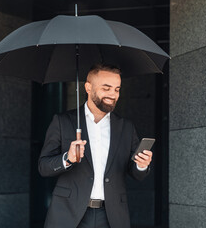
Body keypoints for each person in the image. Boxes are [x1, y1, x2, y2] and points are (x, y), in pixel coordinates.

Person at [38, 63, 153, 228]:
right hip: (68, 214)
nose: (112, 94)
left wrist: (141, 166)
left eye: (117, 89)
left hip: (111, 216)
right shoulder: (63, 121)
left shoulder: (126, 127)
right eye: (106, 88)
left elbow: (136, 173)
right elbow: (43, 167)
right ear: (88, 87)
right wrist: (67, 159)